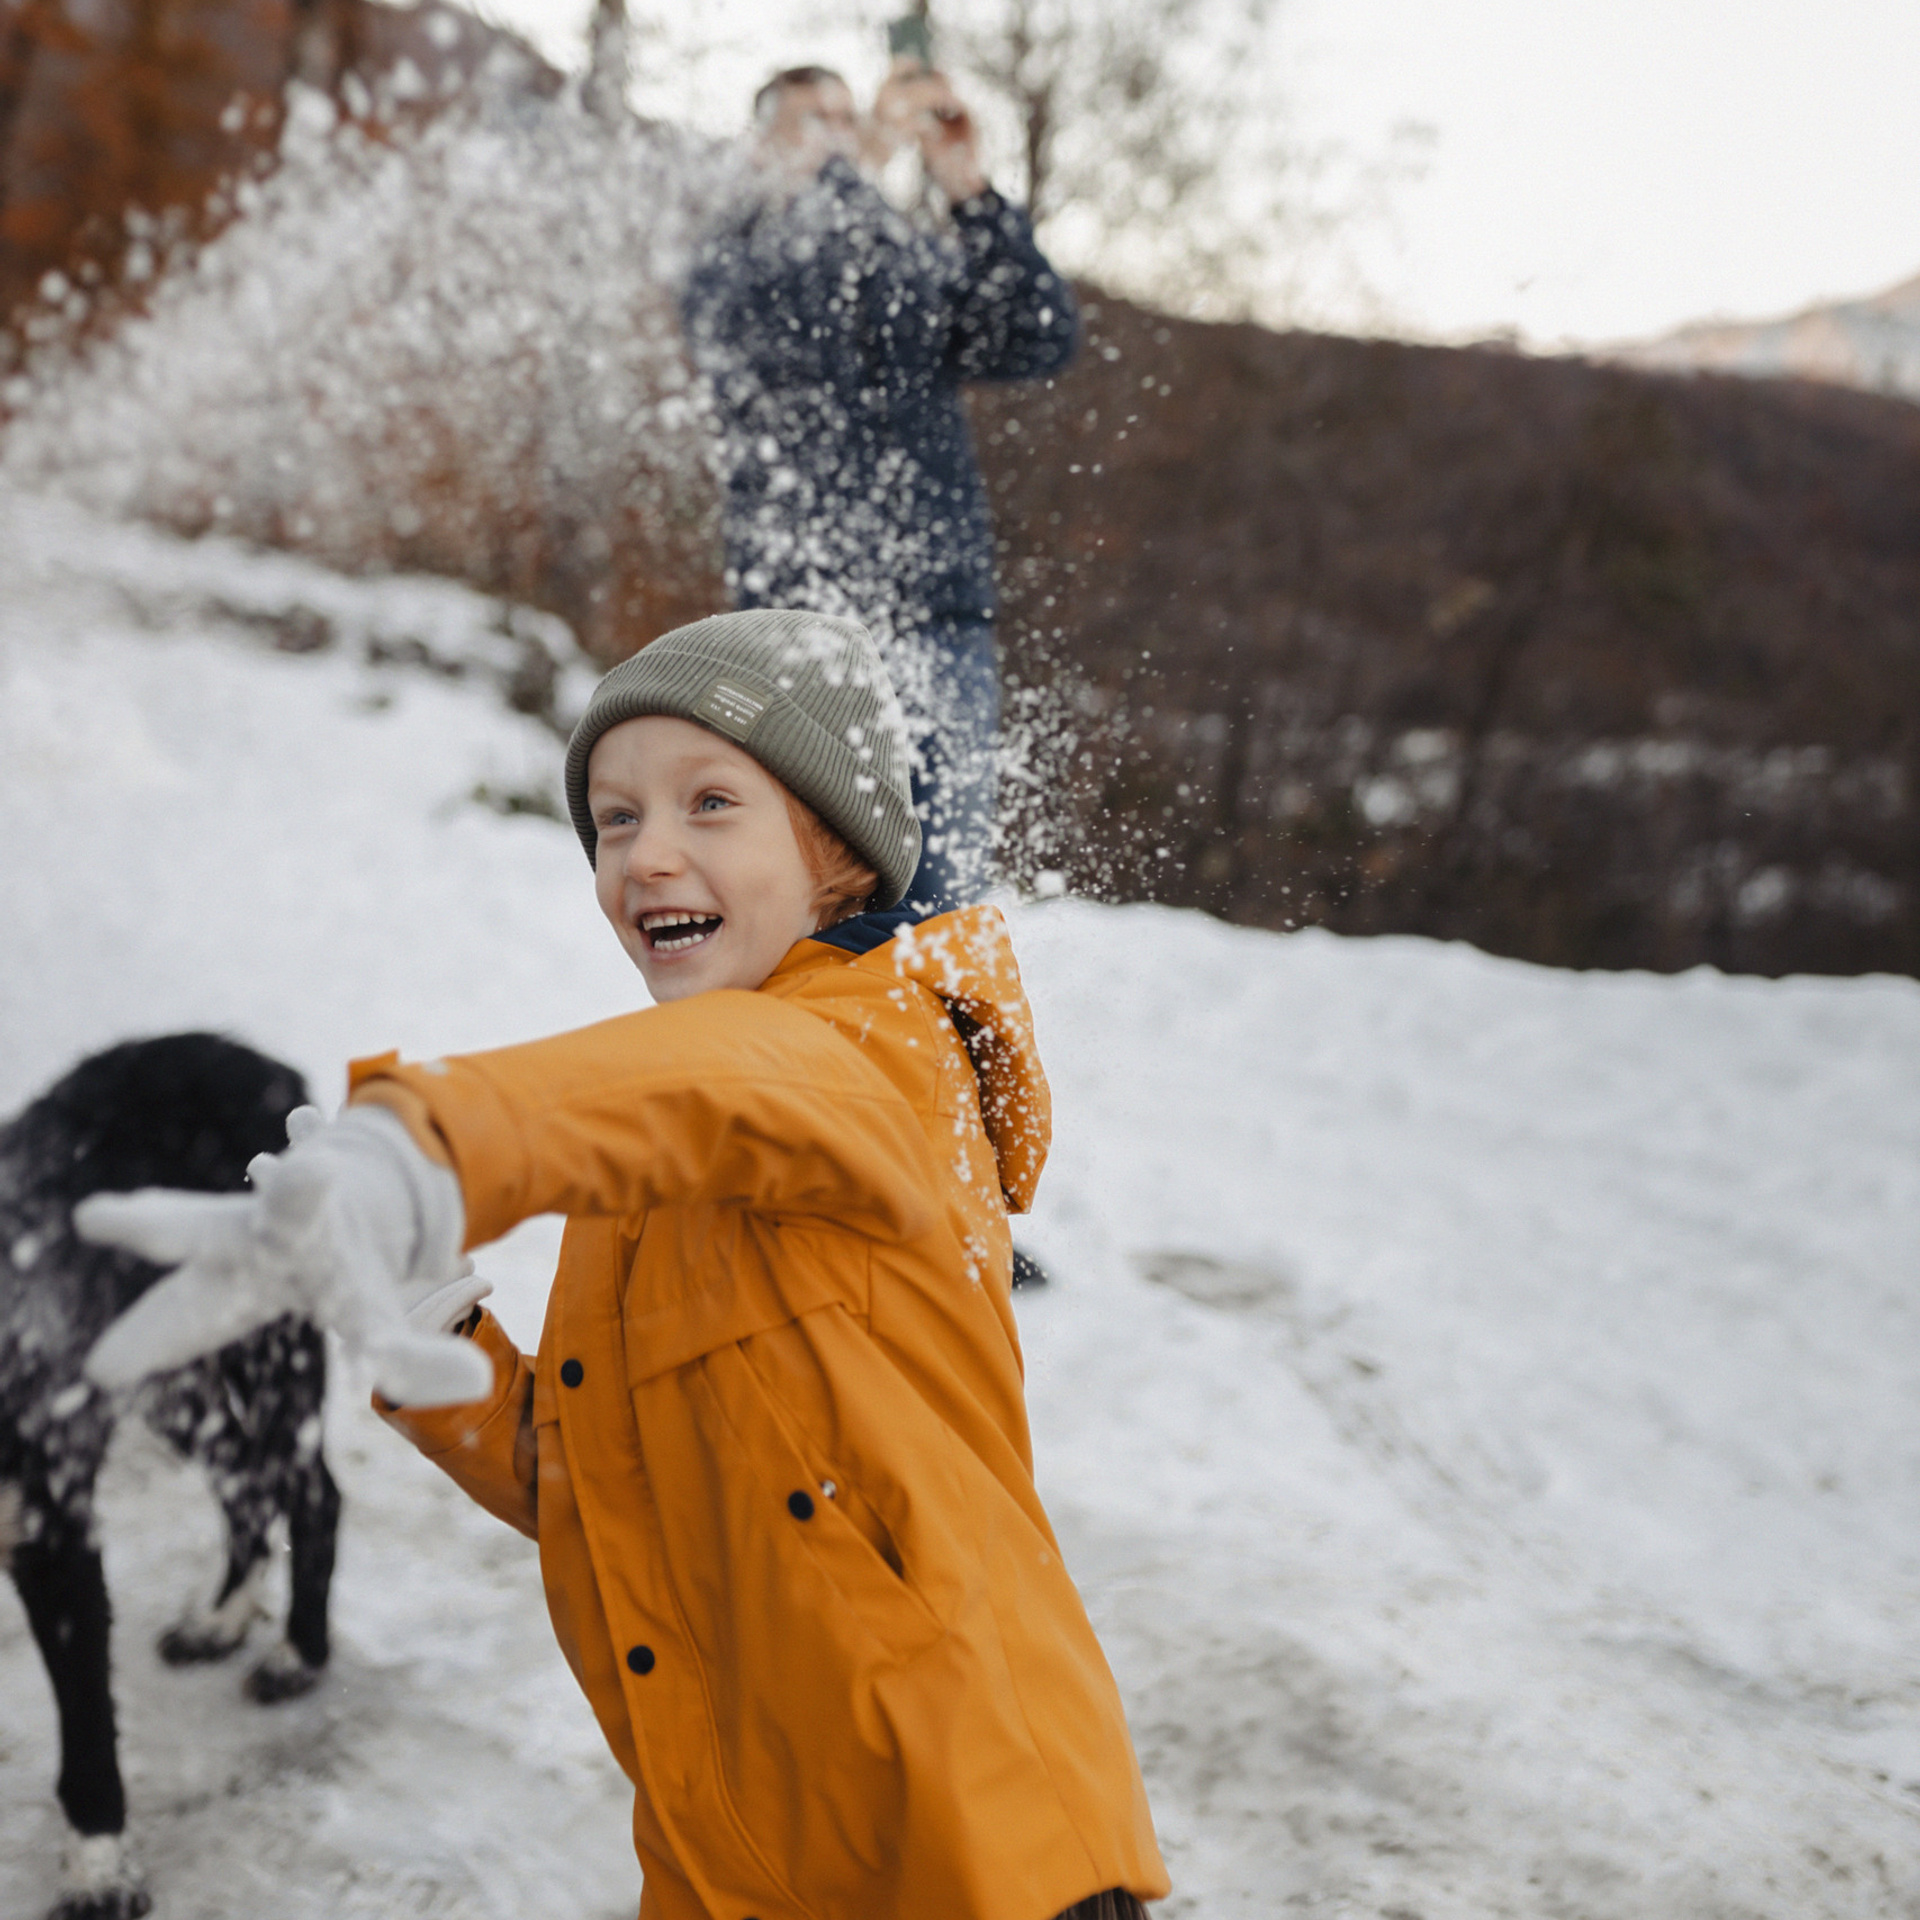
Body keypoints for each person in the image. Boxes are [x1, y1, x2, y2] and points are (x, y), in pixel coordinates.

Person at [78, 609, 1169, 1920]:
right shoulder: (651, 1197)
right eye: (613, 818)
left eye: (712, 803)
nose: (648, 853)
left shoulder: (875, 1063)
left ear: (835, 854)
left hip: (975, 1852)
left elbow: (721, 1079)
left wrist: (418, 1149)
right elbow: (600, 1486)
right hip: (734, 1866)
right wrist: (427, 1325)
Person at [683, 62, 1078, 915]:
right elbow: (795, 295)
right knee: (800, 901)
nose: (834, 132)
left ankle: (933, 1049)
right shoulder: (738, 252)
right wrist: (860, 159)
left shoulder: (898, 262)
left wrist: (967, 188)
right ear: (760, 147)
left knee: (938, 905)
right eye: (810, 119)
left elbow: (1038, 334)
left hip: (934, 619)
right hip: (795, 632)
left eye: (843, 115)